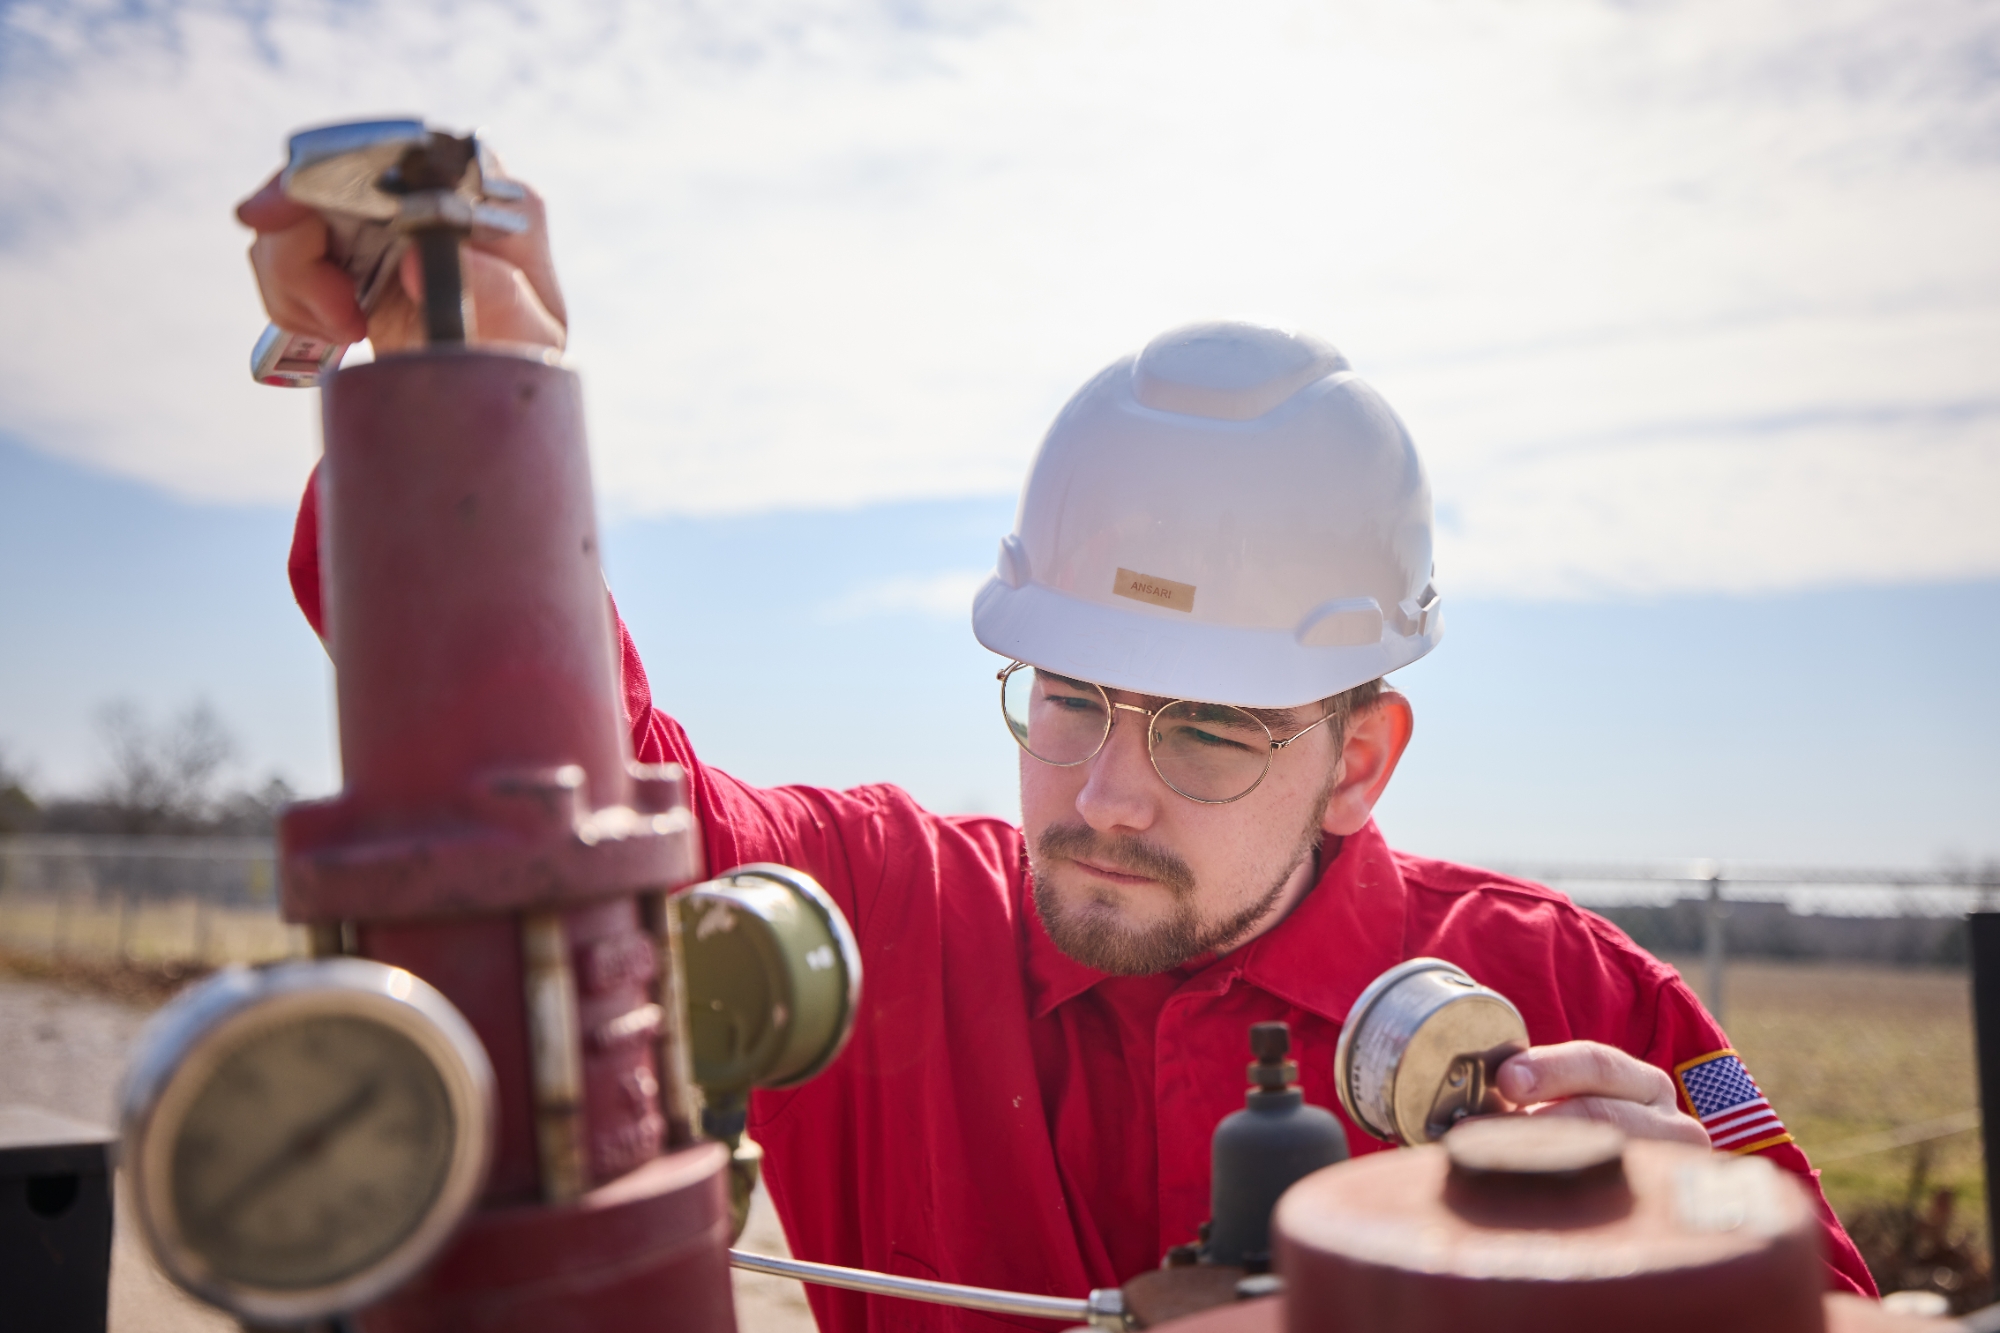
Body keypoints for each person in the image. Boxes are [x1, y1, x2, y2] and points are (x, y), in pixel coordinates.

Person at [240, 174, 1877, 1326]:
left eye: (1212, 729)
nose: (1103, 793)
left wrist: (1714, 1269)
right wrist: (456, 385)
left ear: (1364, 758)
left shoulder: (1574, 1005)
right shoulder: (875, 925)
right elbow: (591, 800)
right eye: (1072, 696)